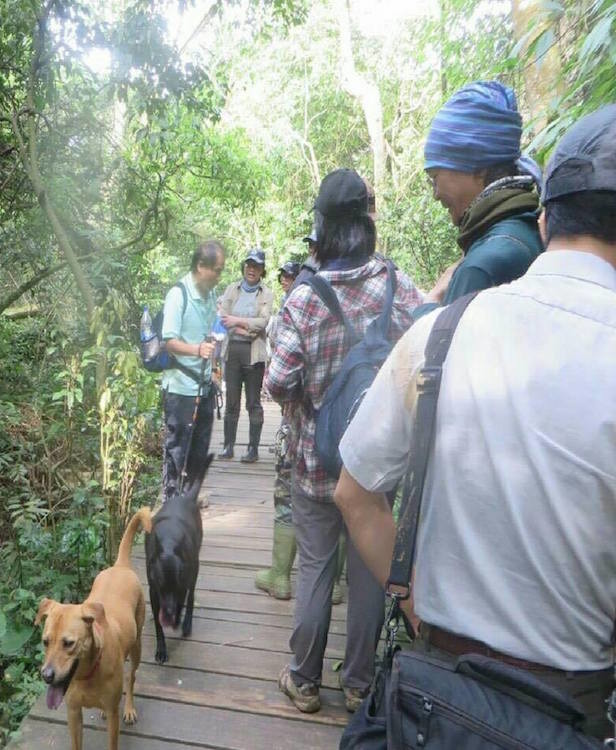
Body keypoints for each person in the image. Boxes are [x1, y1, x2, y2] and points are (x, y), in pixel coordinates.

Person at [336, 105, 616, 740]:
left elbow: (354, 493)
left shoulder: (442, 333)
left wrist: (411, 605)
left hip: (435, 693)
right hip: (571, 708)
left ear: (546, 221)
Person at [265, 168, 424, 715]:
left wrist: (309, 400)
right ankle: (358, 685)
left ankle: (305, 681)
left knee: (314, 567)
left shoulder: (306, 297)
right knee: (365, 573)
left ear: (323, 228)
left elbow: (278, 381)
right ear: (367, 222)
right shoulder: (398, 287)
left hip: (315, 461)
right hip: (376, 465)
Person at [416, 80, 543, 317]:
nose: (435, 193)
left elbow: (436, 351)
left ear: (478, 168)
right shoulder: (530, 225)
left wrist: (431, 299)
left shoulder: (483, 267)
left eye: (435, 177)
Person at [160, 240, 225, 501]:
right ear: (201, 266)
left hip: (203, 384)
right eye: (217, 270)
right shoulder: (178, 294)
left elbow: (207, 333)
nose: (219, 276)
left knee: (200, 446)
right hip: (180, 387)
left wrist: (212, 364)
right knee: (177, 448)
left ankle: (190, 496)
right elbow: (169, 342)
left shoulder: (209, 296)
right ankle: (170, 500)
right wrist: (197, 350)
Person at [256, 259, 302, 600]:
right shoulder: (384, 285)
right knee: (340, 506)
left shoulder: (298, 303)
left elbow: (277, 381)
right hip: (350, 425)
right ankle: (332, 585)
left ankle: (281, 577)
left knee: (287, 496)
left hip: (300, 421)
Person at [217, 248, 275, 463]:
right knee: (232, 402)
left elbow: (264, 322)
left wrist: (238, 324)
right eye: (249, 265)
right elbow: (223, 317)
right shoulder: (232, 289)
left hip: (253, 355)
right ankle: (228, 446)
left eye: (257, 266)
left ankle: (253, 449)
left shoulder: (266, 293)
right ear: (244, 267)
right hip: (232, 351)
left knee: (253, 402)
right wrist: (247, 328)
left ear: (262, 270)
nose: (252, 270)